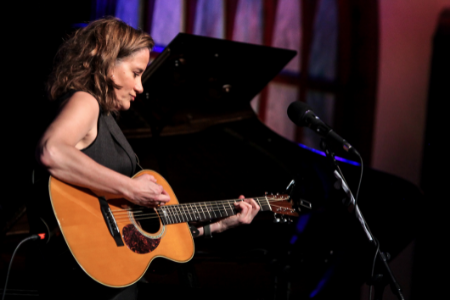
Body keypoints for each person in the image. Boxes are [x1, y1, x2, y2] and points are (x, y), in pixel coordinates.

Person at [31, 17, 260, 299]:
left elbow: (146, 239)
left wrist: (218, 226)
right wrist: (130, 187)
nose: (140, 87)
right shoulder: (85, 100)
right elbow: (51, 150)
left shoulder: (104, 116)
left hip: (108, 274)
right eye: (136, 72)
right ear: (108, 64)